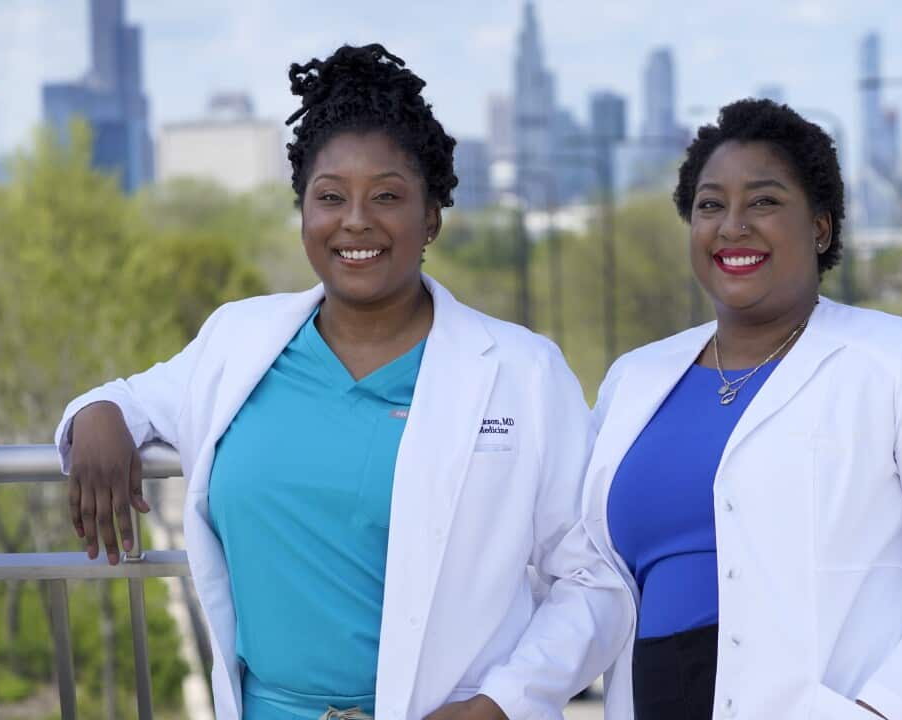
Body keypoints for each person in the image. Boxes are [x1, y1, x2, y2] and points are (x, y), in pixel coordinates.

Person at [56, 44, 632, 720]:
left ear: (432, 219)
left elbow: (595, 582)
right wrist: (97, 413)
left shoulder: (522, 372)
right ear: (303, 213)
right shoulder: (240, 341)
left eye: (387, 196)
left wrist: (498, 704)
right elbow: (130, 399)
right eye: (330, 197)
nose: (355, 220)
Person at [583, 99, 902, 720]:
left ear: (821, 227)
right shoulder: (634, 379)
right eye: (710, 205)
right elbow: (588, 575)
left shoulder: (900, 361)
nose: (732, 225)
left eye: (765, 202)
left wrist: (880, 709)